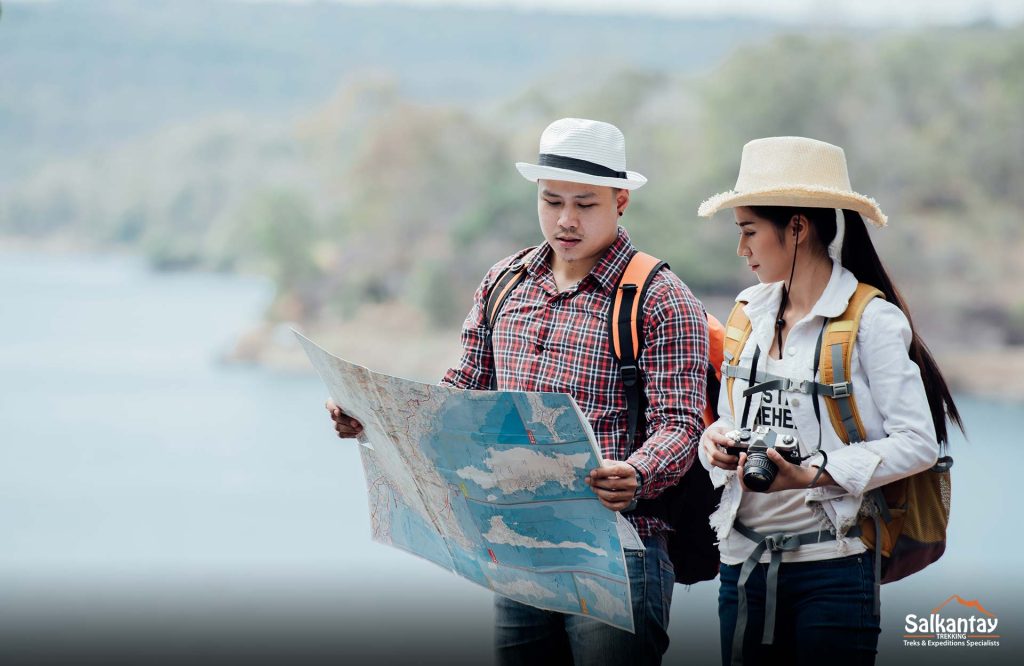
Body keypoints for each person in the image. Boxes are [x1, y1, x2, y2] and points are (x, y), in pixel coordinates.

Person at [328, 117, 709, 665]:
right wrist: (369, 415)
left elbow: (680, 423)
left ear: (621, 201)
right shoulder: (505, 283)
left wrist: (639, 471)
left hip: (620, 550)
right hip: (518, 551)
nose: (566, 219)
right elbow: (460, 394)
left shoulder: (659, 297)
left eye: (585, 203)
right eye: (552, 201)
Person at [696, 136, 964, 665]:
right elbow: (727, 419)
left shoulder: (871, 320)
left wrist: (814, 472)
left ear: (797, 227)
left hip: (835, 566)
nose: (741, 249)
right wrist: (717, 443)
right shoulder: (746, 313)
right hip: (743, 563)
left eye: (749, 231)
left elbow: (919, 443)